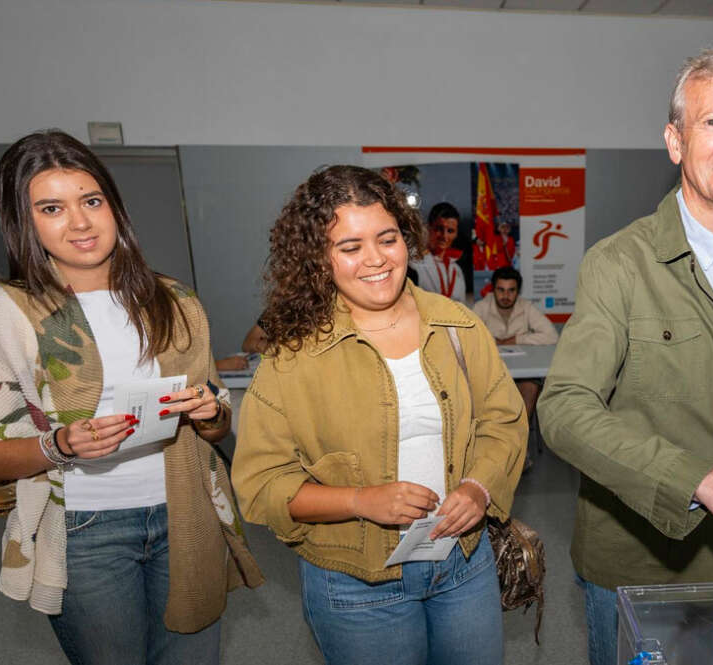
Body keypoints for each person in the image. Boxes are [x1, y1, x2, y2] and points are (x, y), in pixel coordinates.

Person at [537, 39, 713, 665]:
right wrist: (706, 484)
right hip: (647, 566)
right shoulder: (619, 263)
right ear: (676, 142)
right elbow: (562, 408)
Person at [0, 130, 263, 665]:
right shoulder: (10, 311)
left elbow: (215, 425)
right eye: (52, 208)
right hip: (84, 529)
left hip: (184, 514)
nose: (79, 222)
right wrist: (60, 445)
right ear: (24, 221)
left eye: (91, 201)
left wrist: (212, 413)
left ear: (113, 206)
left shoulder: (174, 300)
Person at [232, 165, 526, 665]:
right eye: (349, 248)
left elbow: (504, 422)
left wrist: (479, 488)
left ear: (405, 239)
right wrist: (360, 500)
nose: (375, 260)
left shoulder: (458, 326)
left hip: (462, 563)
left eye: (386, 239)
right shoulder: (295, 354)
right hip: (355, 582)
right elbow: (261, 485)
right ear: (318, 259)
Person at [473, 266, 557, 422]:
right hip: (491, 372)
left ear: (518, 291)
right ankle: (496, 435)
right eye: (501, 290)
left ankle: (519, 438)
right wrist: (492, 341)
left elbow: (551, 335)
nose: (506, 295)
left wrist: (517, 340)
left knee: (531, 387)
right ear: (493, 290)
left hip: (522, 373)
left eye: (511, 290)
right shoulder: (481, 307)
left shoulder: (526, 307)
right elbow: (468, 338)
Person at [410, 201, 466, 301]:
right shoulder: (414, 264)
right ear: (428, 228)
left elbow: (463, 309)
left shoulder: (456, 270)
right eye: (439, 229)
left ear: (456, 234)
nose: (444, 236)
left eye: (450, 231)